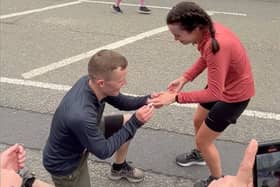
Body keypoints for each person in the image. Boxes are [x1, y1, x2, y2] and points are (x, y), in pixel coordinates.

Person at [150, 1, 255, 186]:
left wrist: (174, 98)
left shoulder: (217, 44)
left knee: (203, 140)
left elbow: (215, 93)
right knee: (198, 120)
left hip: (234, 95)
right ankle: (200, 154)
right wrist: (185, 78)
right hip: (222, 85)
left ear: (196, 28)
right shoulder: (207, 31)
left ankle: (216, 179)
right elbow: (205, 57)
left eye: (177, 35)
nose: (175, 39)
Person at [43, 49, 155, 187]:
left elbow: (122, 102)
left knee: (126, 121)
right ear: (101, 83)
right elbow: (103, 151)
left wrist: (148, 100)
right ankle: (27, 182)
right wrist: (135, 122)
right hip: (66, 165)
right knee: (130, 123)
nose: (125, 83)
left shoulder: (90, 82)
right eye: (121, 80)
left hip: (85, 134)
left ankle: (118, 168)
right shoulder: (81, 115)